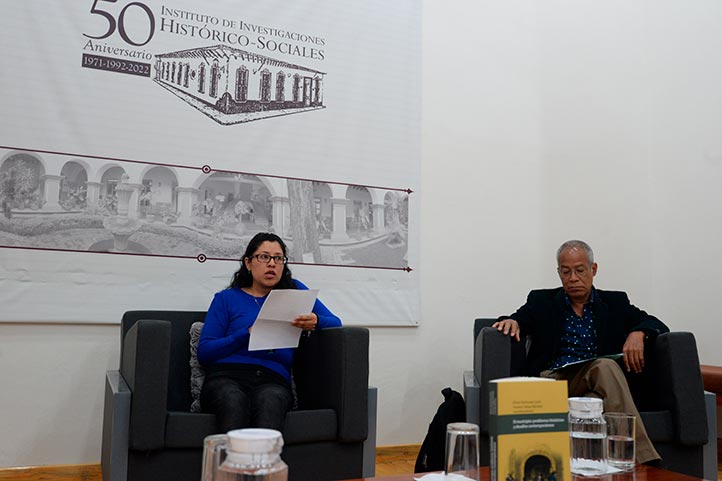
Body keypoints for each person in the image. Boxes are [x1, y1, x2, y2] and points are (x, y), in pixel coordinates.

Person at [493, 240, 669, 464]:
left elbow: (655, 323)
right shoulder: (541, 301)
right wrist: (510, 321)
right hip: (555, 379)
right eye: (566, 272)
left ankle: (589, 469)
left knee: (591, 402)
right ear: (559, 273)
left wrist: (639, 333)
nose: (573, 278)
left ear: (593, 270)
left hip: (594, 383)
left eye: (579, 270)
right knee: (605, 366)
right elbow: (516, 319)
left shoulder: (615, 302)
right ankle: (645, 461)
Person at [198, 232, 341, 433]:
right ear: (248, 263)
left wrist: (316, 321)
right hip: (227, 376)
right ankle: (231, 465)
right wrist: (246, 333)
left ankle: (264, 465)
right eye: (264, 257)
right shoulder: (226, 299)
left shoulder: (295, 292)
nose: (272, 264)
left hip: (272, 379)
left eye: (278, 258)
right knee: (233, 399)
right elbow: (205, 352)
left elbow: (336, 323)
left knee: (270, 401)